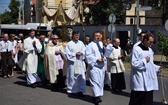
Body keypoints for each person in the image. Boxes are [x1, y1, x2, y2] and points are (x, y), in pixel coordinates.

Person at [129, 32, 162, 105]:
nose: (151, 44)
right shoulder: (137, 49)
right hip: (139, 78)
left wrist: (157, 69)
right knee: (137, 101)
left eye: (153, 42)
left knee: (147, 100)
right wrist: (144, 61)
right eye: (150, 42)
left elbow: (151, 64)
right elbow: (134, 63)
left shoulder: (150, 51)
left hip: (148, 80)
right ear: (145, 40)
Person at [85, 31, 106, 104]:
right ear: (93, 36)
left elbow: (104, 53)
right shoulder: (90, 45)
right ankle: (96, 97)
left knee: (100, 82)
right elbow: (87, 56)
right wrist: (96, 59)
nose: (98, 37)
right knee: (94, 82)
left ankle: (96, 96)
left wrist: (103, 58)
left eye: (99, 36)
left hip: (101, 66)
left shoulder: (101, 44)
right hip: (94, 66)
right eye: (96, 36)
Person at [65, 30, 86, 96]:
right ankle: (71, 90)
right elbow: (67, 54)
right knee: (72, 77)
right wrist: (75, 54)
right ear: (73, 36)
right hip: (72, 63)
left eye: (78, 35)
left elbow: (84, 50)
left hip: (80, 62)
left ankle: (80, 90)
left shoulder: (81, 43)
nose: (77, 36)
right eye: (76, 35)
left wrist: (81, 53)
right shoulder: (69, 44)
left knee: (80, 76)